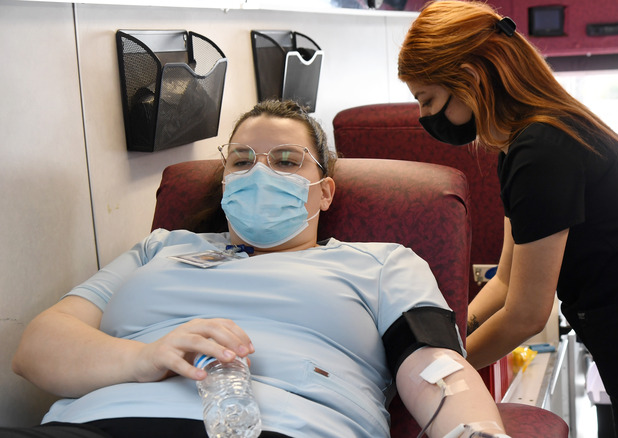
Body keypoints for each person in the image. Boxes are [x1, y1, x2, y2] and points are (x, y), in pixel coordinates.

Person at [8, 100, 509, 438]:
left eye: (288, 161)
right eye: (242, 160)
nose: (260, 173)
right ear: (224, 181)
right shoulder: (160, 248)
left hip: (288, 427)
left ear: (326, 190)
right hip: (98, 423)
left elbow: (436, 367)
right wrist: (144, 357)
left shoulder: (381, 263)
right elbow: (38, 349)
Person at [398, 2, 618, 437]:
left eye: (428, 99)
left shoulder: (542, 150)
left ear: (471, 77)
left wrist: (434, 375)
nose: (423, 117)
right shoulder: (517, 145)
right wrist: (449, 337)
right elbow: (506, 282)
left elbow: (527, 313)